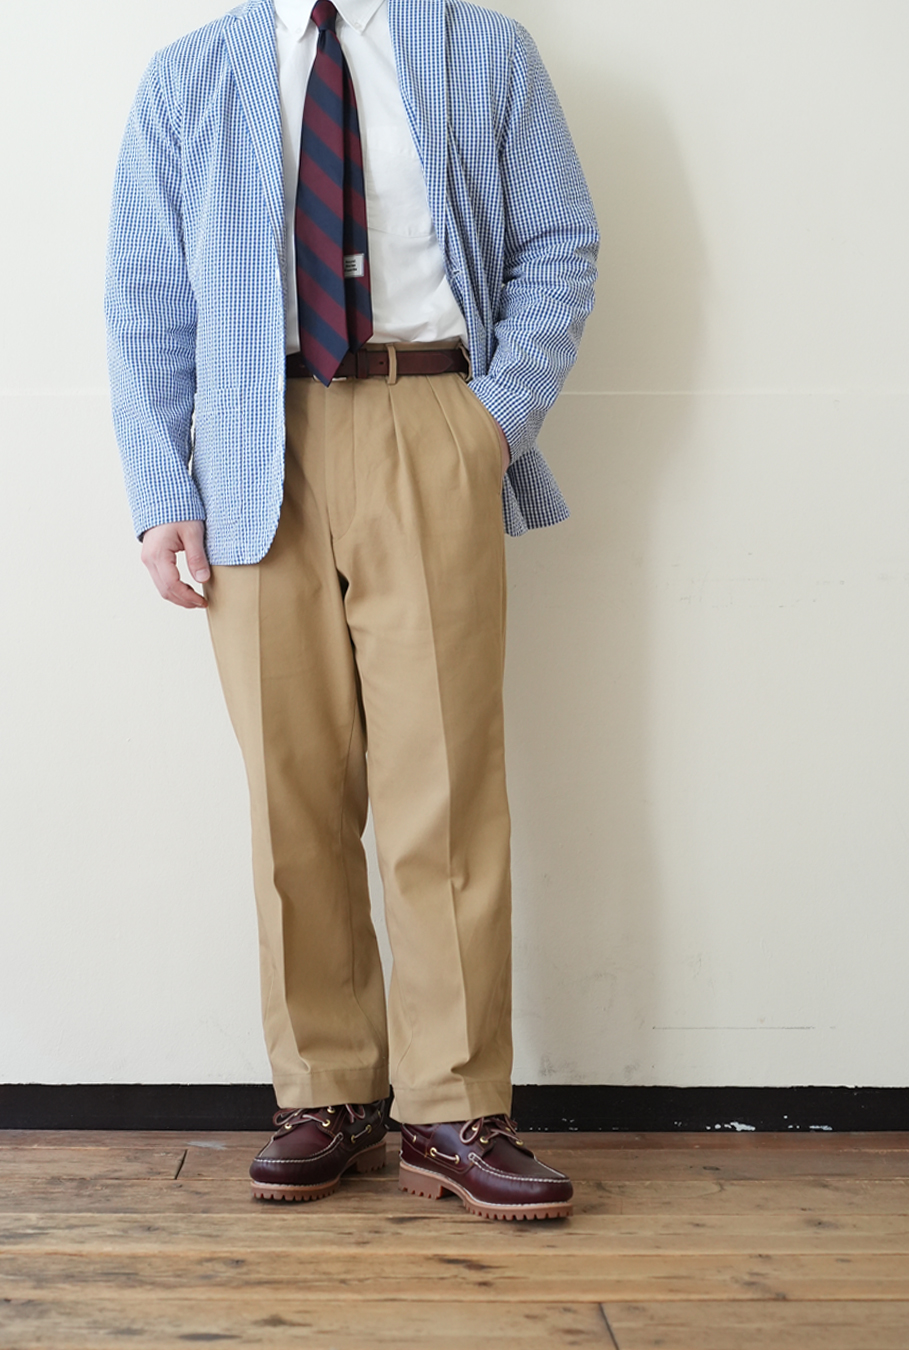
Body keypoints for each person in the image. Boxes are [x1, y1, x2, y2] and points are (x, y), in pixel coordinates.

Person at [106, 0, 598, 1222]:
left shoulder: (483, 50)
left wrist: (490, 425)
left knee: (444, 783)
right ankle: (327, 1092)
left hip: (429, 416)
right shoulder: (189, 78)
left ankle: (454, 1105)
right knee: (292, 788)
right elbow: (146, 299)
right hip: (251, 444)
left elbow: (559, 242)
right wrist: (163, 491)